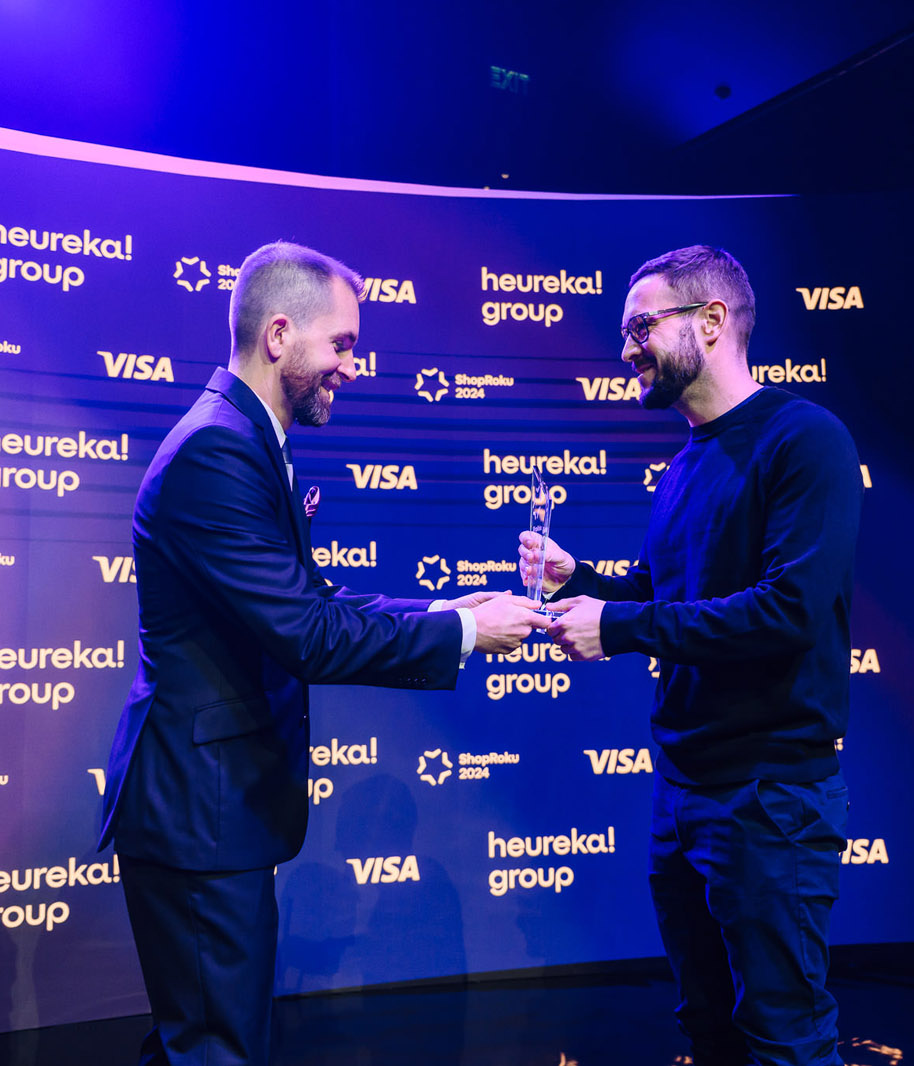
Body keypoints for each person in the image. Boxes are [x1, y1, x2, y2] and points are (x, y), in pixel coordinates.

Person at [99, 240, 546, 1066]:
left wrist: (445, 610)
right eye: (342, 343)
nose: (353, 365)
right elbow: (306, 632)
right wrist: (464, 635)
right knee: (216, 1052)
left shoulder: (244, 437)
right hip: (200, 812)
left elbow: (309, 599)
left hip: (216, 808)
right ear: (279, 334)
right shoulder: (216, 450)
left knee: (204, 1044)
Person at [520, 246, 862, 1066]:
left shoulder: (805, 439)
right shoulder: (683, 464)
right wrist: (583, 581)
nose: (625, 349)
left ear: (711, 321)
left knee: (785, 1036)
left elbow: (785, 612)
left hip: (769, 795)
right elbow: (665, 590)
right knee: (708, 1030)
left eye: (641, 326)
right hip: (682, 792)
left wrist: (619, 625)